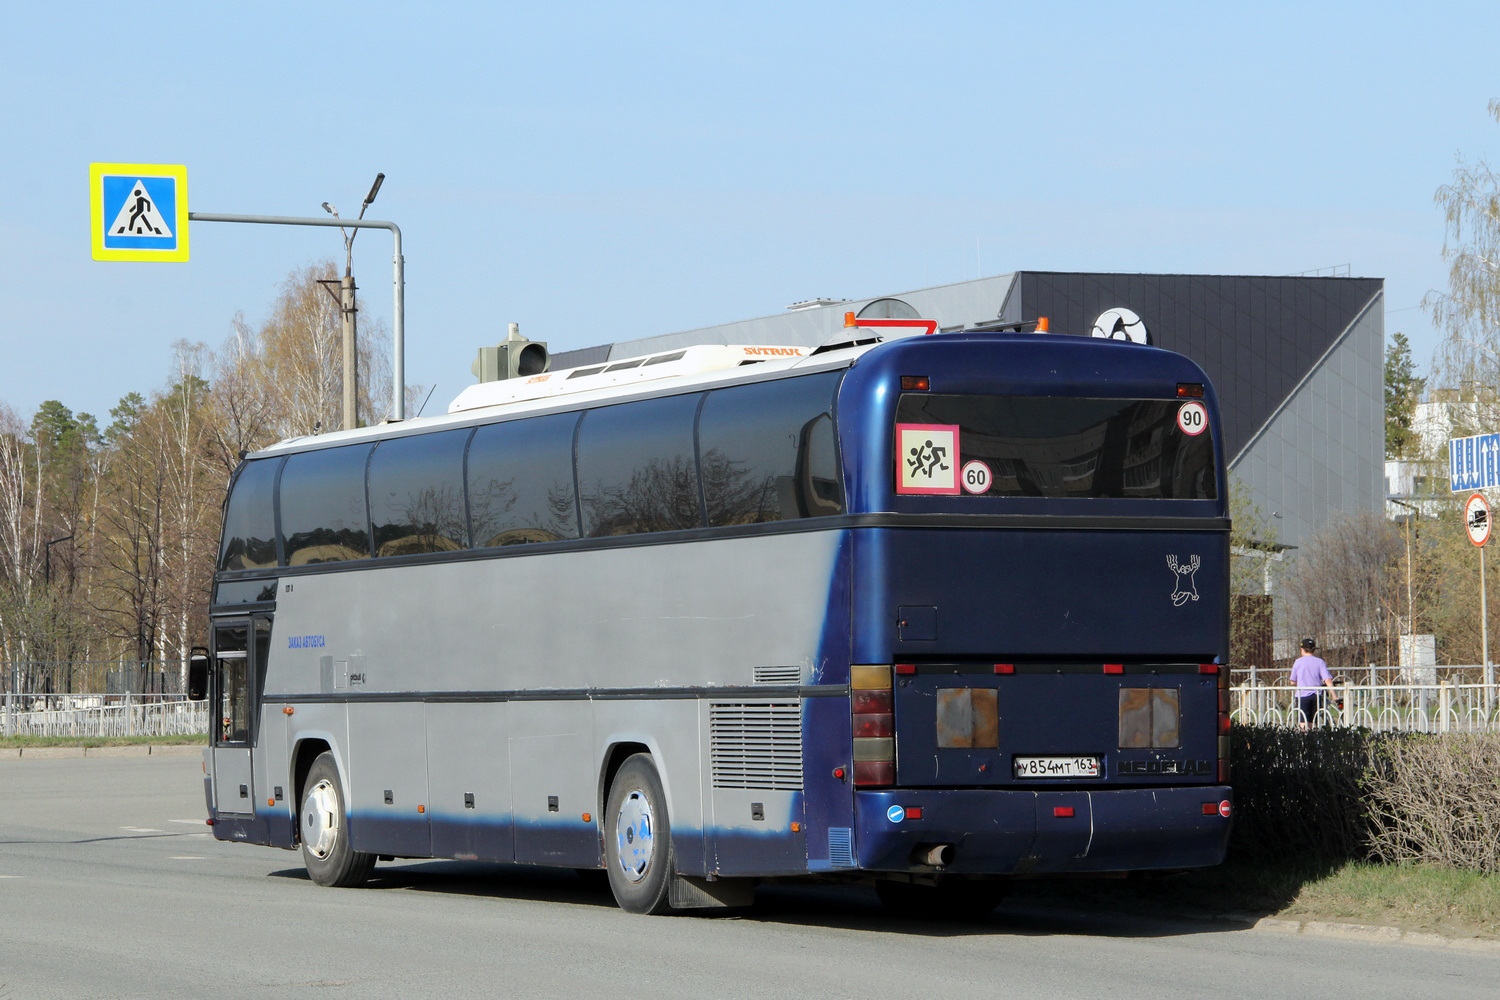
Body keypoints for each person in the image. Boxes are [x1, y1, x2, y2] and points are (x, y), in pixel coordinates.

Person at [1289, 637, 1336, 731]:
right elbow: (1327, 680)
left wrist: (1302, 682)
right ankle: (1312, 740)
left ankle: (1304, 741)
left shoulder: (1298, 662)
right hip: (1316, 695)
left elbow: (1292, 681)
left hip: (1302, 695)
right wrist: (1334, 695)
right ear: (1314, 650)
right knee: (1313, 721)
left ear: (1302, 649)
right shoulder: (1320, 662)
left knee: (1303, 721)